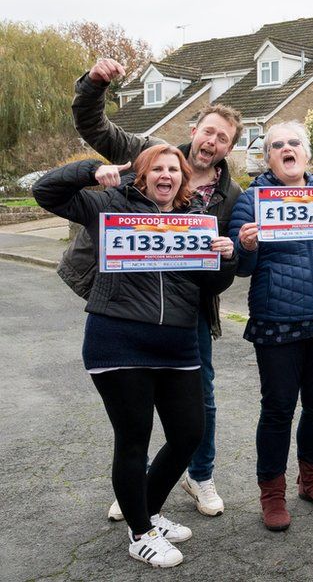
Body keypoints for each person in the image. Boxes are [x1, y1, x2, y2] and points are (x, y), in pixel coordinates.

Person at [32, 145, 237, 568]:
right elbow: (45, 191)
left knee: (188, 434)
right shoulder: (107, 207)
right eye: (156, 169)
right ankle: (140, 533)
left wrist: (228, 256)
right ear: (141, 177)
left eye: (173, 170)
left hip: (178, 342)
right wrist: (92, 171)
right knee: (133, 440)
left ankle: (149, 511)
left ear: (182, 179)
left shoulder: (195, 222)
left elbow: (212, 284)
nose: (166, 175)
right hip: (118, 339)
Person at [73, 59, 244, 518]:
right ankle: (139, 491)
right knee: (138, 408)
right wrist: (94, 85)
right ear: (196, 128)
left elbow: (226, 261)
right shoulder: (150, 153)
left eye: (223, 138)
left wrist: (233, 253)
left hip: (189, 312)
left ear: (231, 147)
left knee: (196, 403)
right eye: (208, 131)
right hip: (129, 303)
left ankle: (199, 477)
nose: (212, 142)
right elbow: (94, 125)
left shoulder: (231, 194)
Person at [229, 121, 313, 532]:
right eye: (277, 145)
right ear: (268, 157)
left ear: (306, 154)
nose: (287, 149)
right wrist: (246, 246)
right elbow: (243, 267)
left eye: (294, 143)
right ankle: (272, 494)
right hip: (277, 320)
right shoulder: (252, 200)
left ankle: (312, 480)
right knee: (277, 410)